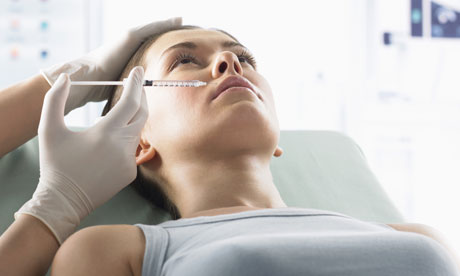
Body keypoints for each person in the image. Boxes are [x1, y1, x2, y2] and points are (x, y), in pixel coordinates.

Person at [0, 19, 459, 276]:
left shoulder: (416, 236)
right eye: (184, 60)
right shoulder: (112, 252)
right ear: (138, 140)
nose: (230, 62)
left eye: (245, 58)